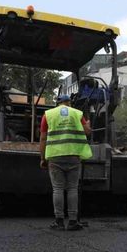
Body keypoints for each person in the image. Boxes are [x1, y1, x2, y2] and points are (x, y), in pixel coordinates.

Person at [39, 94, 92, 231]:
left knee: (57, 188)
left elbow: (43, 138)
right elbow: (87, 132)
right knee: (72, 188)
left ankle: (59, 221)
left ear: (58, 103)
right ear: (69, 103)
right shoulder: (77, 114)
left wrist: (42, 158)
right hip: (73, 155)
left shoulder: (48, 115)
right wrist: (89, 125)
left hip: (55, 156)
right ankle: (73, 221)